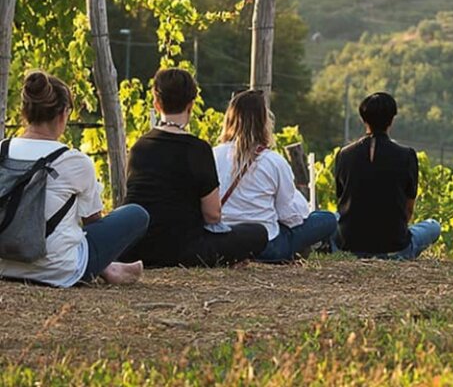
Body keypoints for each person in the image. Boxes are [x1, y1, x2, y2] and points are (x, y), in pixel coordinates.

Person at [0, 71, 147, 287]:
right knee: (137, 214)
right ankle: (109, 267)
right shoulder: (74, 161)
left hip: (3, 265)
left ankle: (110, 268)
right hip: (58, 271)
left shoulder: (2, 150)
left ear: (25, 112)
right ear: (62, 114)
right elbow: (94, 223)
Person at [122, 69, 267, 267]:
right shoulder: (198, 149)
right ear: (191, 104)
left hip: (139, 247)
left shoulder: (139, 146)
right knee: (258, 233)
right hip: (184, 249)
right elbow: (213, 214)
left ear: (156, 104)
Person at [213, 90, 337, 263]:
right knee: (329, 219)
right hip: (267, 247)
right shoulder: (273, 161)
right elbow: (290, 216)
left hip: (225, 242)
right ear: (264, 121)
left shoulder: (213, 155)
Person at [334, 92, 441, 260]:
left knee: (330, 219)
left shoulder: (344, 154)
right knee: (433, 226)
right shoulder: (406, 156)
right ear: (391, 120)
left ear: (364, 119)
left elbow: (341, 202)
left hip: (349, 245)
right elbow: (408, 208)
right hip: (395, 246)